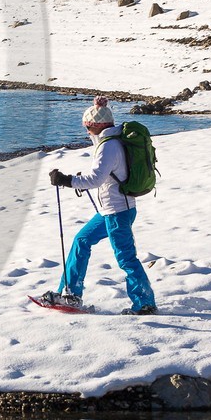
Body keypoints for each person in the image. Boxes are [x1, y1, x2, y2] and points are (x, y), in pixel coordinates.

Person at [42, 97, 158, 315]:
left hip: (118, 212)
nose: (86, 131)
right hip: (110, 210)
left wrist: (66, 180)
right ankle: (71, 293)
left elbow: (95, 180)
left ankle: (145, 304)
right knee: (82, 240)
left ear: (97, 126)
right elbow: (104, 176)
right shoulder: (113, 141)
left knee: (126, 258)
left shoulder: (109, 147)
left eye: (87, 127)